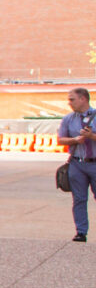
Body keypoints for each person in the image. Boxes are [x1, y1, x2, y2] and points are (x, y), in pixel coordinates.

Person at [57, 88, 94, 241]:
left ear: (83, 99)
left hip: (94, 163)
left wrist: (91, 136)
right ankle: (81, 232)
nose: (69, 103)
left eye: (72, 99)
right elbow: (60, 140)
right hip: (77, 164)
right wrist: (74, 140)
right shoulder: (68, 119)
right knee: (79, 199)